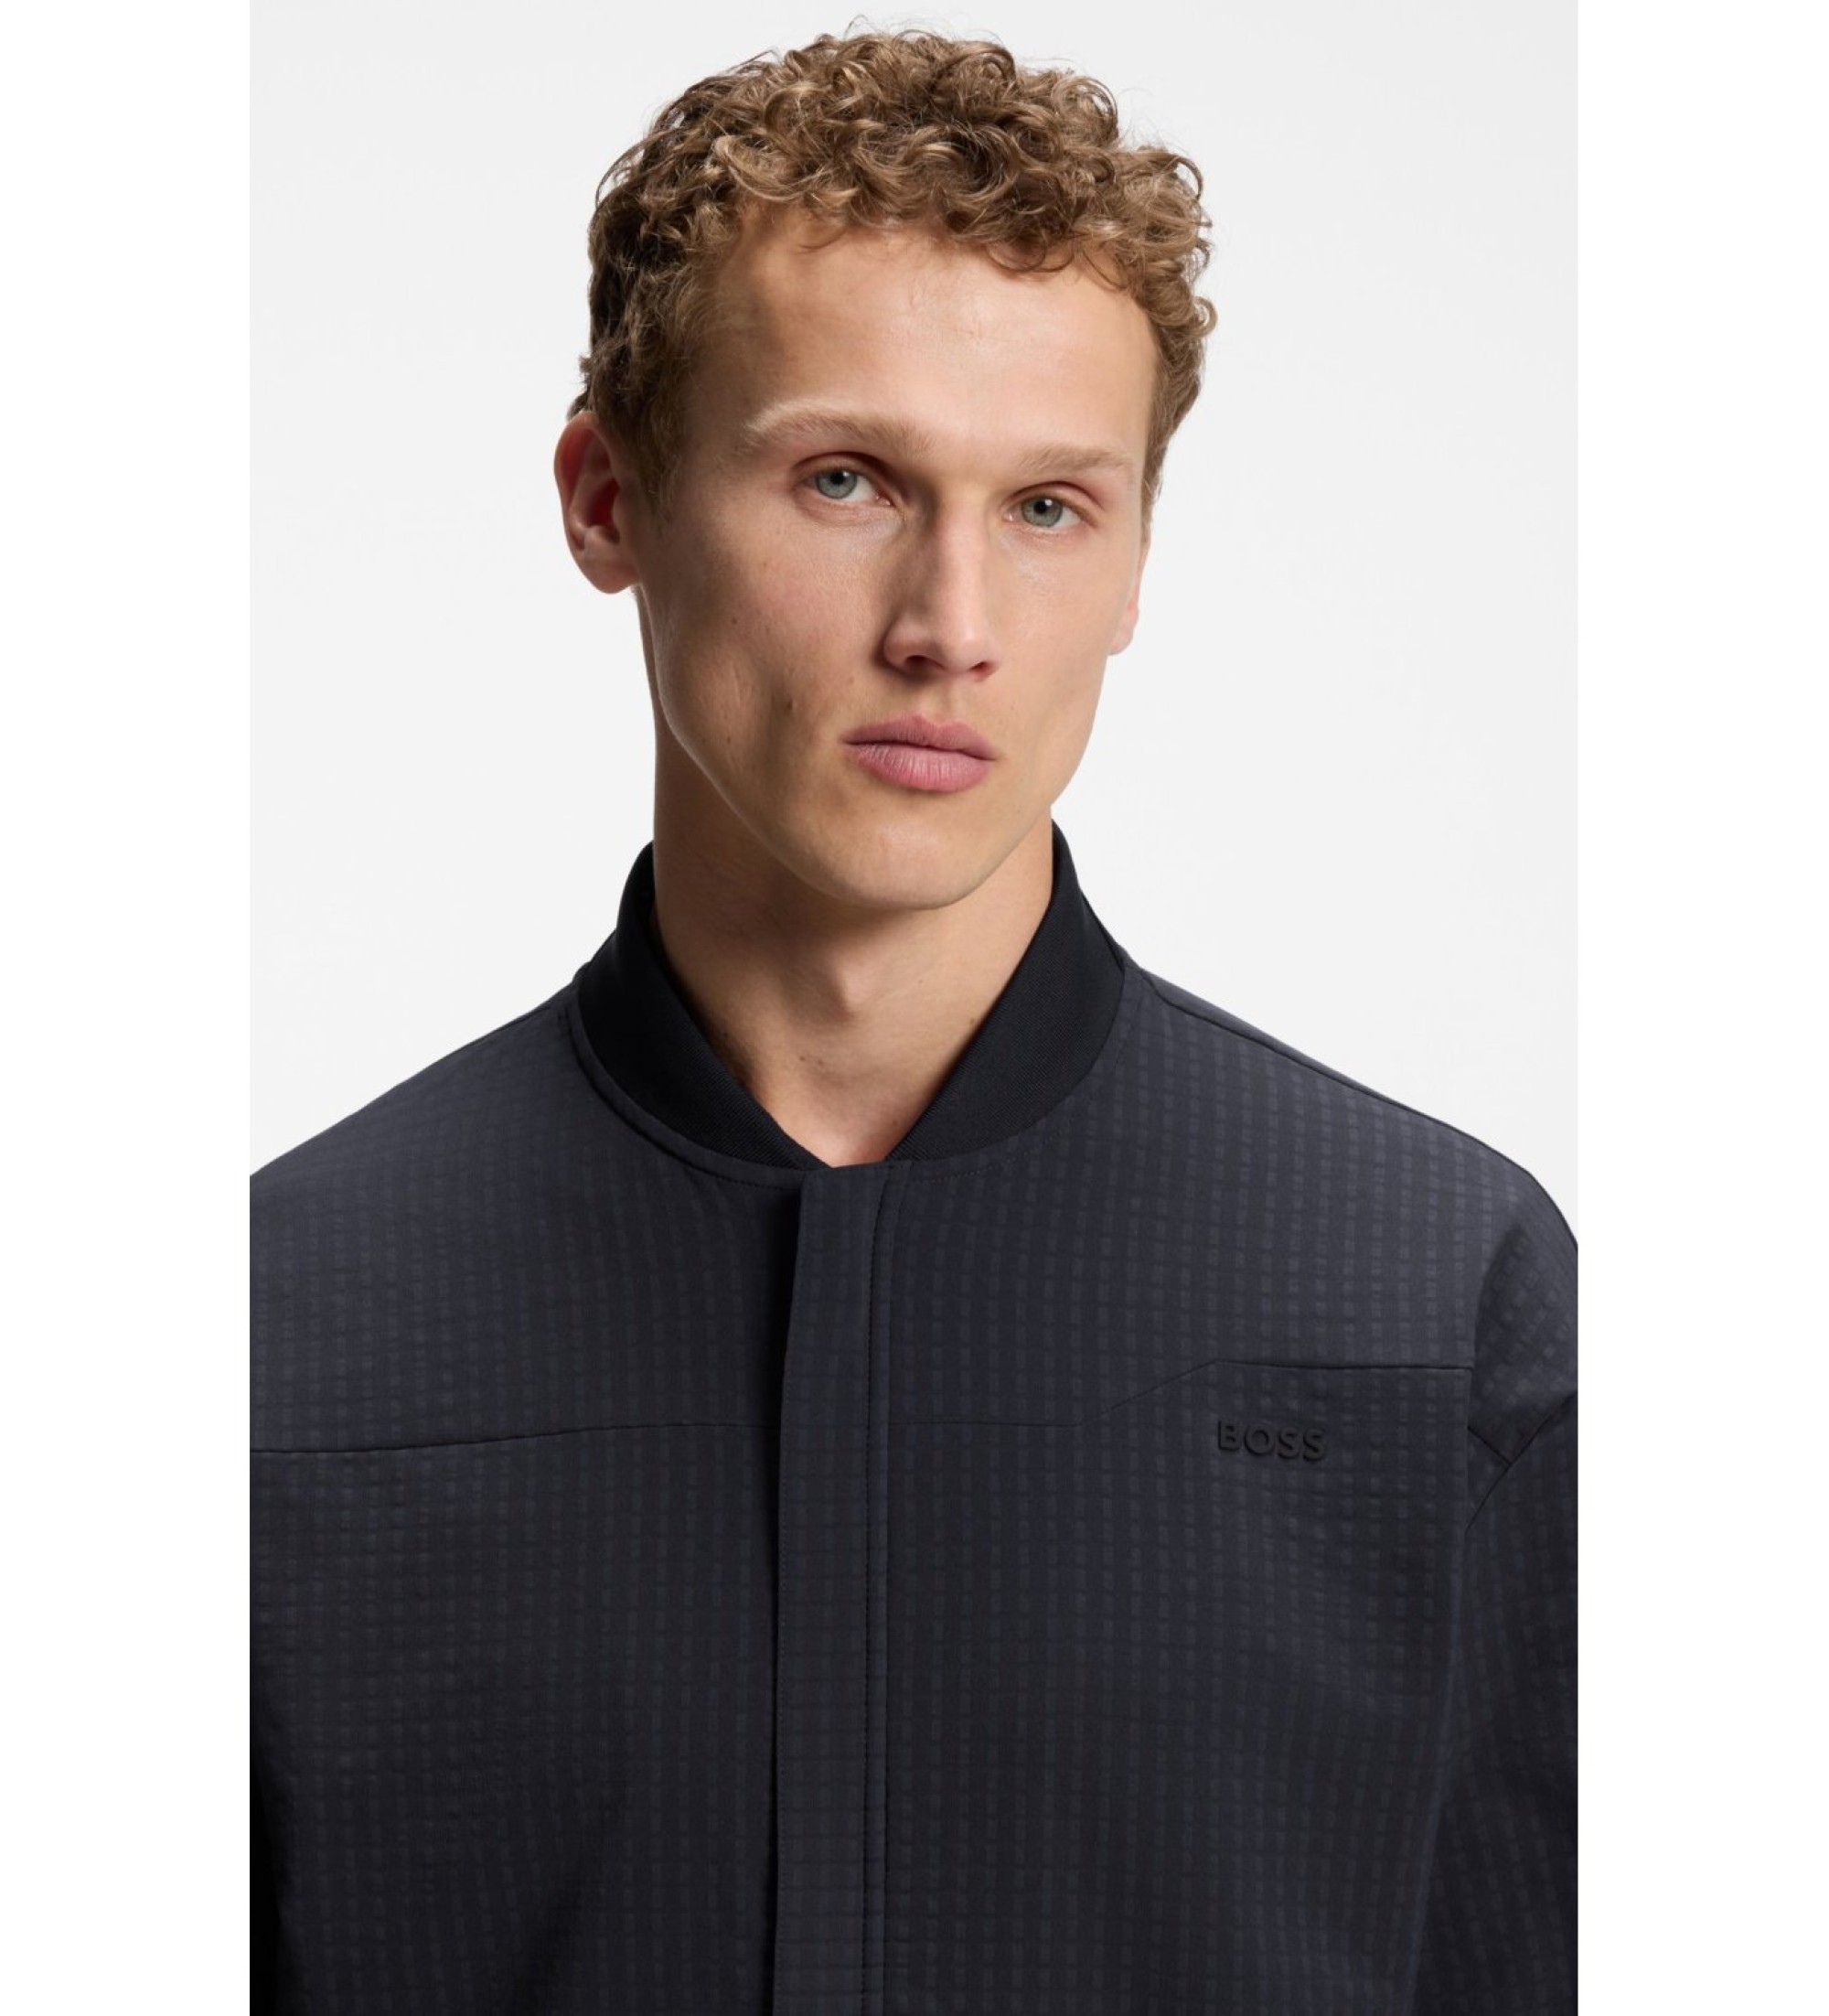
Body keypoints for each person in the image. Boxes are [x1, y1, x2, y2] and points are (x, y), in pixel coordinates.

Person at [251, 27, 1575, 2013]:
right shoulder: (270, 1324)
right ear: (608, 498)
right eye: (844, 479)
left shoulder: (1438, 1293)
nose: (949, 624)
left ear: (1135, 561)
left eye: (1047, 506)